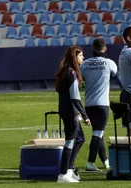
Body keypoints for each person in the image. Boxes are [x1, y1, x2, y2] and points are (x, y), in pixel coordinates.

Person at [80, 38, 122, 171]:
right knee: (97, 134)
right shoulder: (109, 63)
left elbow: (80, 82)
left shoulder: (85, 64)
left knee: (99, 134)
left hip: (88, 104)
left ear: (92, 48)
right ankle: (90, 162)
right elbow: (118, 78)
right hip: (102, 104)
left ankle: (105, 162)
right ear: (105, 49)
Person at [55, 46, 91, 183]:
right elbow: (75, 97)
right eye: (81, 55)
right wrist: (85, 115)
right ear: (75, 58)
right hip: (70, 111)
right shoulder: (71, 73)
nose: (83, 58)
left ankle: (69, 169)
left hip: (66, 110)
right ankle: (63, 175)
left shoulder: (65, 72)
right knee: (70, 141)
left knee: (80, 138)